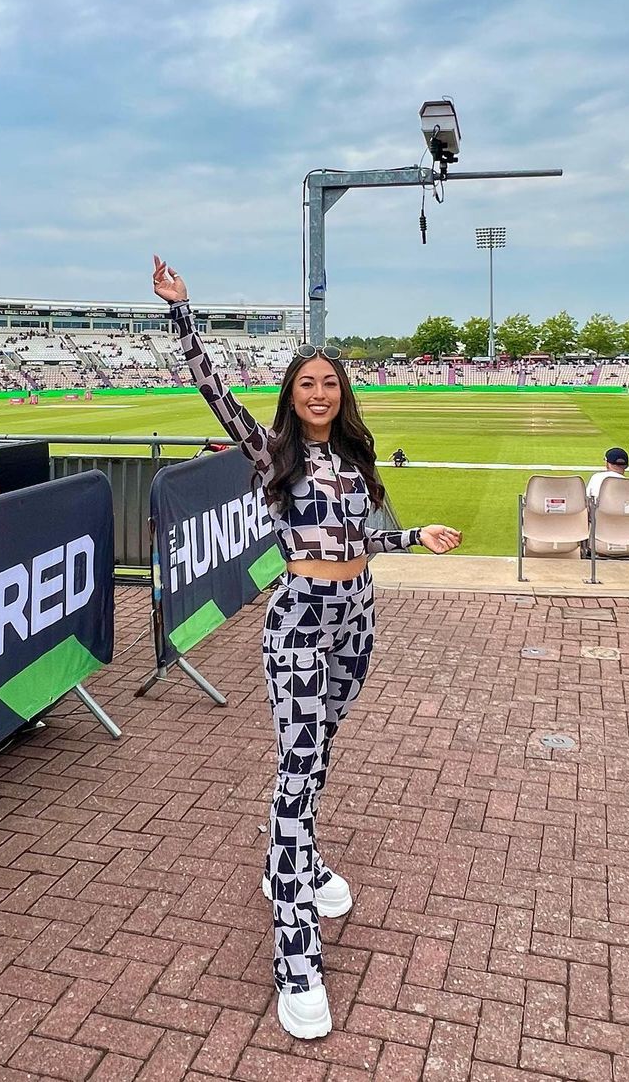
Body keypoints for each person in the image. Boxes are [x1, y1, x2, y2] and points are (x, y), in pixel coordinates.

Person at [152, 255, 461, 1040]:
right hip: (299, 619)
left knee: (318, 754)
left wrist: (413, 536)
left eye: (329, 383)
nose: (319, 393)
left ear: (342, 394)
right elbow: (217, 395)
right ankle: (296, 948)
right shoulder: (272, 455)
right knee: (296, 773)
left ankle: (291, 863)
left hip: (359, 619)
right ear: (291, 396)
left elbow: (357, 541)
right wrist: (183, 313)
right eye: (306, 384)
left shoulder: (354, 460)